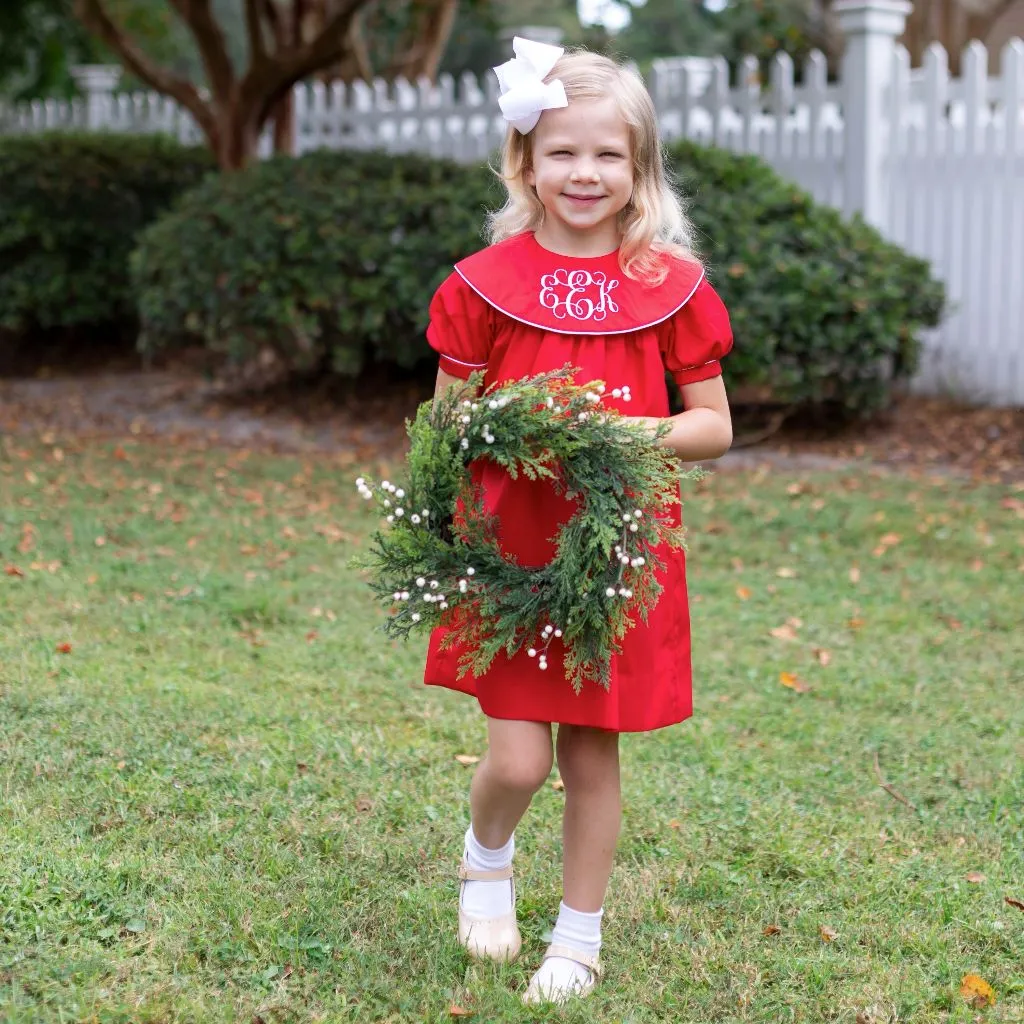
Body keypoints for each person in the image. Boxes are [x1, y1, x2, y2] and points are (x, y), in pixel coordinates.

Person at [422, 37, 734, 1005]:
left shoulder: (668, 287)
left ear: (638, 167)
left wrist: (626, 429)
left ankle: (577, 937)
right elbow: (445, 420)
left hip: (614, 552)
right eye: (562, 152)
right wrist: (509, 425)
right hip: (511, 542)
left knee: (593, 753)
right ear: (525, 161)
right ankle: (485, 854)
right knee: (518, 754)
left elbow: (713, 425)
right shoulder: (482, 283)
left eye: (607, 154)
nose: (584, 172)